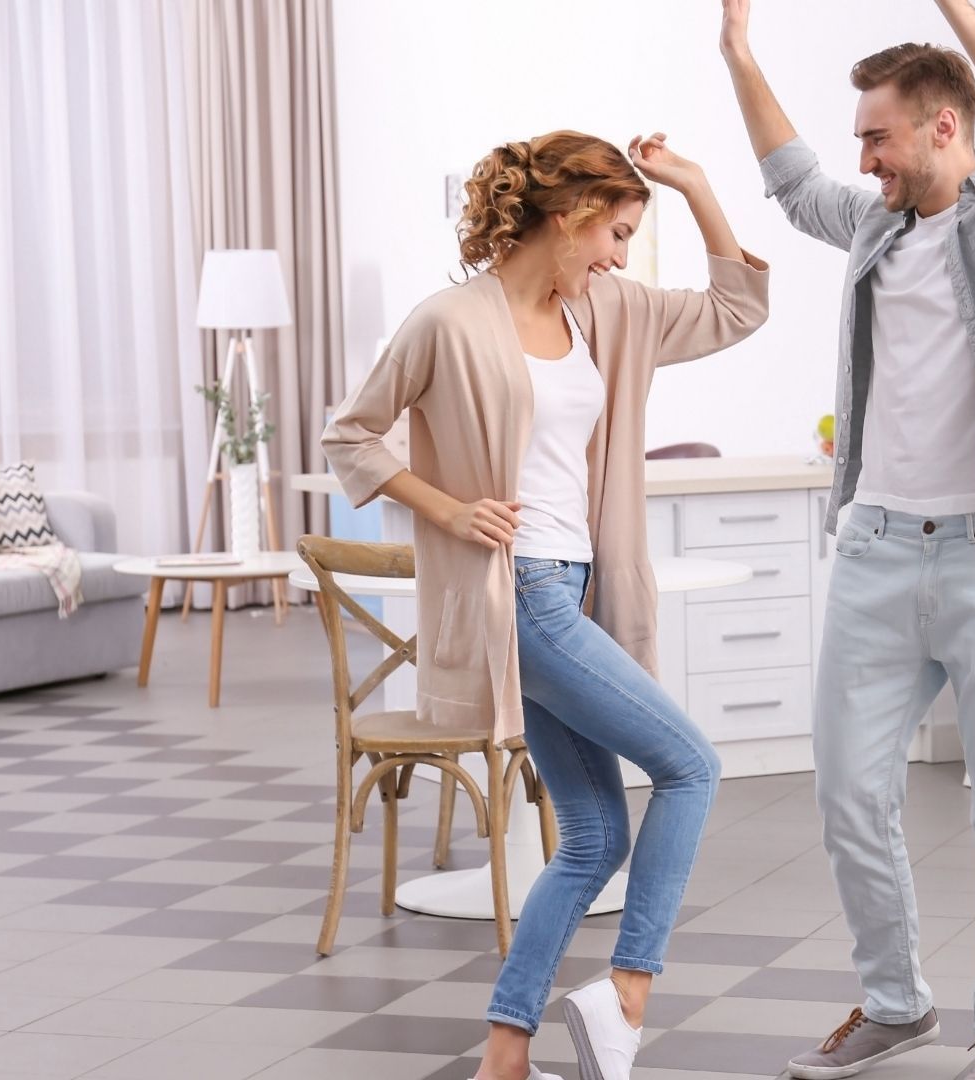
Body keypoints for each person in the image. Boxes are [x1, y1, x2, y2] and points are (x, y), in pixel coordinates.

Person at [321, 130, 769, 1080]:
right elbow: (352, 433)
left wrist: (688, 184)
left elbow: (737, 306)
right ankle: (630, 995)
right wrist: (446, 507)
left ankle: (506, 1050)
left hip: (576, 585)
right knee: (691, 766)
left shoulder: (605, 310)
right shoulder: (448, 321)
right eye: (615, 230)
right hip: (518, 592)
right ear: (565, 219)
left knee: (597, 834)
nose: (618, 254)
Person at [719, 0, 975, 1076]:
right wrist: (739, 53)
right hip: (878, 550)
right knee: (847, 793)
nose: (863, 158)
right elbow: (793, 185)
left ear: (942, 127)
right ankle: (894, 1001)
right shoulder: (877, 225)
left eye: (877, 135)